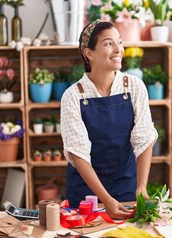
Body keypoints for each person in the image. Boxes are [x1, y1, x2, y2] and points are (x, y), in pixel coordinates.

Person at [60, 19, 158, 219]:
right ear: (89, 53)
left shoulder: (134, 87)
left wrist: (141, 186)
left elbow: (144, 138)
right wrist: (105, 199)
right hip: (86, 194)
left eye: (119, 42)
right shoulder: (73, 96)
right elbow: (78, 154)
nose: (118, 49)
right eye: (108, 43)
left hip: (125, 185)